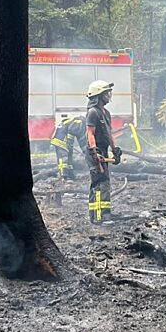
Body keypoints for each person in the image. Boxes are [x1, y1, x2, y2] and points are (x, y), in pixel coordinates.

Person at [85, 80, 121, 224]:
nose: (108, 95)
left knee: (102, 181)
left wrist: (114, 150)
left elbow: (108, 133)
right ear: (98, 95)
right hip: (95, 152)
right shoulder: (93, 113)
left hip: (103, 151)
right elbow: (90, 133)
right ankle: (101, 217)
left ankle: (96, 215)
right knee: (100, 182)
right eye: (106, 93)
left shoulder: (106, 113)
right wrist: (95, 151)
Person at [50, 113, 85, 180]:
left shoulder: (80, 123)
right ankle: (64, 176)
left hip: (63, 139)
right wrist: (70, 144)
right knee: (63, 158)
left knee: (69, 157)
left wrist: (84, 151)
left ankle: (70, 174)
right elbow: (71, 132)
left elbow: (81, 139)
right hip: (60, 140)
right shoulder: (79, 122)